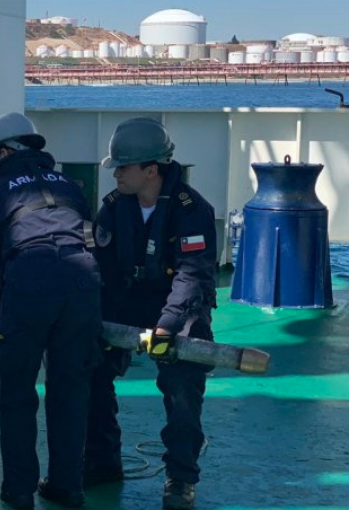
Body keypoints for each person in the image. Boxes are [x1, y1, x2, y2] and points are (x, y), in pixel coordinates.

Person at [0, 112, 102, 509]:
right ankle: (67, 486)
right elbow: (88, 238)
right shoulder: (71, 187)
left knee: (16, 391)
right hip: (83, 284)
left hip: (30, 284)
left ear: (5, 151)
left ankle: (19, 490)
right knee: (70, 391)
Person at [85, 117, 217, 510]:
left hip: (179, 307)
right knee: (89, 369)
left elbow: (193, 275)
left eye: (123, 167)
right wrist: (95, 321)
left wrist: (167, 326)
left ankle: (180, 476)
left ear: (151, 171)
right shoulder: (113, 208)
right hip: (127, 303)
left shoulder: (192, 211)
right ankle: (102, 461)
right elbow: (101, 268)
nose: (116, 174)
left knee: (182, 387)